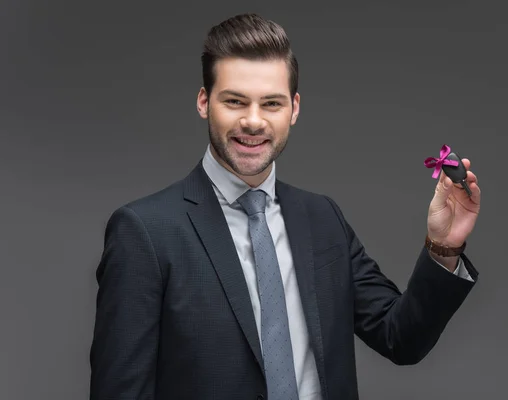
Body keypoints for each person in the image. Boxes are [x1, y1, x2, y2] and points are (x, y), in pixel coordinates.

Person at [89, 12, 481, 400]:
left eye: (271, 104)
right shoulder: (145, 232)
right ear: (204, 102)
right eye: (235, 101)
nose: (253, 121)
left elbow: (401, 339)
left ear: (294, 108)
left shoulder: (323, 219)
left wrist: (442, 248)